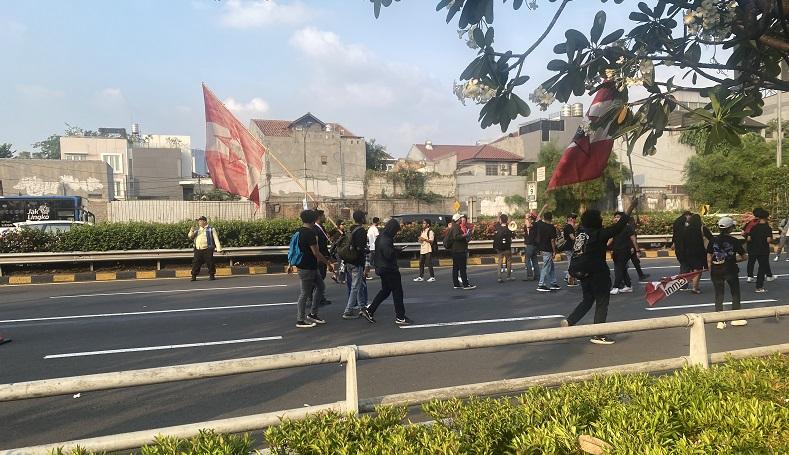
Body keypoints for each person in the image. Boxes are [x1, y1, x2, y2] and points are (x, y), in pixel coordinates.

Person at [560, 198, 639, 345]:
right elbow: (619, 226)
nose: (602, 220)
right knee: (602, 302)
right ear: (596, 221)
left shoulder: (581, 233)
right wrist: (631, 207)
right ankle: (598, 334)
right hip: (598, 273)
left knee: (588, 299)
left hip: (583, 272)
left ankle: (570, 321)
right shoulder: (598, 234)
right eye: (600, 218)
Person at [360, 219, 413, 325]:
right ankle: (400, 316)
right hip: (389, 269)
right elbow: (389, 255)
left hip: (382, 268)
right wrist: (397, 251)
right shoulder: (387, 239)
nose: (396, 233)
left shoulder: (381, 236)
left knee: (385, 291)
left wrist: (394, 249)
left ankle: (370, 311)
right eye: (395, 231)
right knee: (397, 292)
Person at [292, 210, 334, 328]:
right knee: (304, 293)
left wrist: (290, 264)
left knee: (321, 287)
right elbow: (316, 252)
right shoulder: (309, 233)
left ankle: (313, 314)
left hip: (309, 266)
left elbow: (294, 248)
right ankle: (300, 320)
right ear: (313, 220)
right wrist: (328, 263)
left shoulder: (298, 231)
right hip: (307, 267)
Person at [707, 216, 748, 329]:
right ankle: (736, 318)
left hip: (716, 270)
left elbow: (709, 256)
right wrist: (733, 259)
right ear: (730, 228)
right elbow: (744, 257)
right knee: (735, 293)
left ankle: (720, 320)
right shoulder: (734, 241)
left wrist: (711, 268)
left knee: (719, 294)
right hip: (730, 269)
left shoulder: (713, 240)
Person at [342, 210, 369, 319]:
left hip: (349, 260)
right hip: (357, 262)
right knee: (355, 286)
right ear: (362, 218)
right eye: (364, 216)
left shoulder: (351, 228)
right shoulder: (361, 231)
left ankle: (362, 307)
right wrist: (366, 251)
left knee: (359, 285)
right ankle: (348, 311)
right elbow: (360, 248)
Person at [744, 208, 774, 292]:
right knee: (762, 268)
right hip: (763, 250)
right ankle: (759, 286)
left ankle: (750, 276)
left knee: (751, 262)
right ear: (766, 217)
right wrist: (773, 241)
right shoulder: (767, 228)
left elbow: (749, 238)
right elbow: (768, 240)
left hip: (753, 248)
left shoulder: (754, 227)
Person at [683, 213, 713, 294]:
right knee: (698, 270)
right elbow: (711, 238)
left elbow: (683, 241)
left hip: (689, 251)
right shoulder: (702, 228)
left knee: (694, 269)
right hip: (699, 251)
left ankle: (695, 286)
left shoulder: (687, 229)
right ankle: (694, 287)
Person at [188, 216, 223, 281]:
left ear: (204, 222)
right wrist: (191, 230)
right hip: (198, 248)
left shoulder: (211, 229)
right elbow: (190, 236)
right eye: (198, 221)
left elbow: (216, 238)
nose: (199, 223)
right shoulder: (197, 229)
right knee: (196, 263)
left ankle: (212, 275)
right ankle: (193, 275)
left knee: (210, 262)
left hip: (208, 248)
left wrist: (219, 248)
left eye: (200, 221)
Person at [608, 211, 635, 295]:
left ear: (622, 219)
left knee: (619, 269)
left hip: (624, 251)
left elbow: (633, 238)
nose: (616, 219)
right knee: (622, 269)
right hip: (616, 251)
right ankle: (628, 286)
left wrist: (636, 249)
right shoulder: (614, 227)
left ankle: (616, 287)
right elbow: (611, 239)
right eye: (615, 217)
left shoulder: (627, 227)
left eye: (618, 217)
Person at [447, 213, 476, 290]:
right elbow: (456, 236)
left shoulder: (453, 226)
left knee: (455, 268)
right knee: (462, 269)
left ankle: (456, 284)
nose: (461, 220)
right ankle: (466, 285)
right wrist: (465, 235)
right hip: (459, 250)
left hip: (455, 250)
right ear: (458, 220)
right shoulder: (456, 227)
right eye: (460, 219)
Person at [310, 210, 333, 306]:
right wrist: (319, 257)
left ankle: (319, 297)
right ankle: (314, 298)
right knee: (318, 279)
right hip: (319, 257)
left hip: (324, 255)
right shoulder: (315, 229)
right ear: (319, 217)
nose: (325, 217)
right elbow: (316, 245)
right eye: (323, 215)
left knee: (320, 279)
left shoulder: (321, 227)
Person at [535, 211, 559, 292]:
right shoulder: (551, 227)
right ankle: (541, 284)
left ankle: (553, 282)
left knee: (551, 266)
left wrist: (544, 208)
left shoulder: (540, 224)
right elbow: (552, 240)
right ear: (551, 218)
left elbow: (538, 217)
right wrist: (554, 251)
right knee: (546, 266)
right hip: (548, 249)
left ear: (544, 218)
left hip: (542, 248)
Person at [671, 210, 693, 276]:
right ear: (687, 215)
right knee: (685, 265)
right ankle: (683, 278)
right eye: (690, 216)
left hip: (678, 247)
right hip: (684, 247)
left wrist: (674, 243)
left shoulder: (677, 221)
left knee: (683, 264)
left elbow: (675, 233)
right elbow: (685, 234)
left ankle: (683, 276)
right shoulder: (685, 222)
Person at [628, 217, 650, 282]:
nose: (634, 223)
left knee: (636, 262)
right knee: (624, 265)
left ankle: (641, 275)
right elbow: (631, 240)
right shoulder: (629, 229)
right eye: (633, 222)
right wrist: (634, 248)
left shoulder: (631, 228)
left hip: (631, 248)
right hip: (629, 248)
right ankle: (623, 278)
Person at [494, 214, 513, 283]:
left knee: (500, 261)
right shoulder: (509, 227)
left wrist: (498, 215)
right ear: (506, 220)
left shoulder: (498, 227)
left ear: (501, 220)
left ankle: (499, 277)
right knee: (509, 261)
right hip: (507, 247)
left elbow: (497, 222)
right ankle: (508, 276)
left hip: (499, 248)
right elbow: (512, 235)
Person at [522, 212, 540, 281]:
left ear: (531, 218)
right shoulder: (535, 224)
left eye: (528, 218)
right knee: (534, 260)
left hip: (531, 245)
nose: (526, 219)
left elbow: (529, 226)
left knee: (527, 260)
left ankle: (530, 276)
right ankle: (537, 276)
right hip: (534, 245)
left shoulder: (534, 224)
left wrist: (527, 220)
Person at [562, 213, 578, 287]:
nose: (574, 219)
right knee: (571, 263)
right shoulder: (568, 226)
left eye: (575, 218)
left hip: (569, 247)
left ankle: (567, 277)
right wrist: (578, 241)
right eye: (573, 218)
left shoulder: (569, 226)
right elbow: (572, 237)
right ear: (569, 219)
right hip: (569, 247)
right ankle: (570, 280)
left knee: (571, 262)